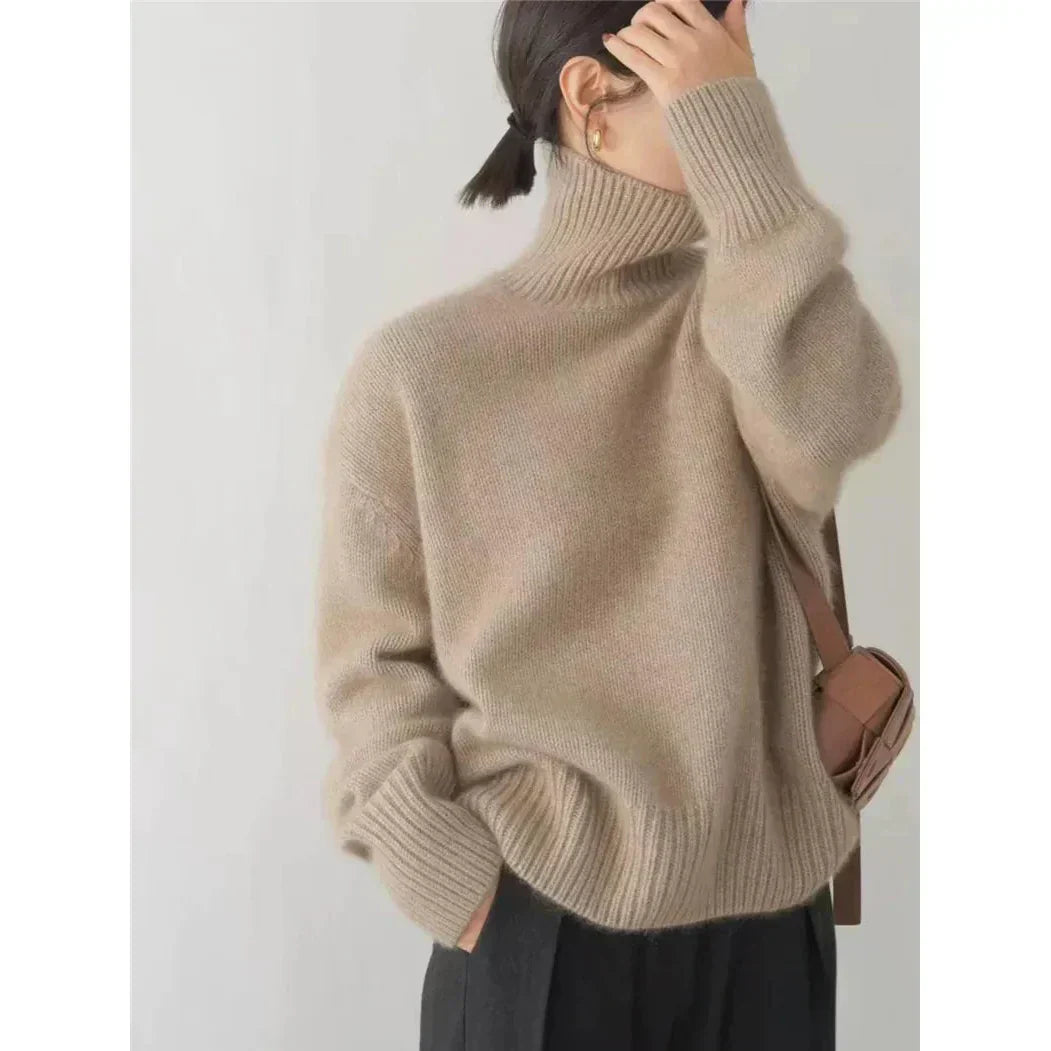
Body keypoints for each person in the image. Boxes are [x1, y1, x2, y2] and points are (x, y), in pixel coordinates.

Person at [314, 1, 902, 1047]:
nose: (738, 96)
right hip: (539, 931)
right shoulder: (421, 371)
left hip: (769, 930)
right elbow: (372, 670)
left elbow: (843, 415)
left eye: (742, 69)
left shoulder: (750, 320)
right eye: (701, 67)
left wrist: (743, 159)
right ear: (590, 98)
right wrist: (460, 888)